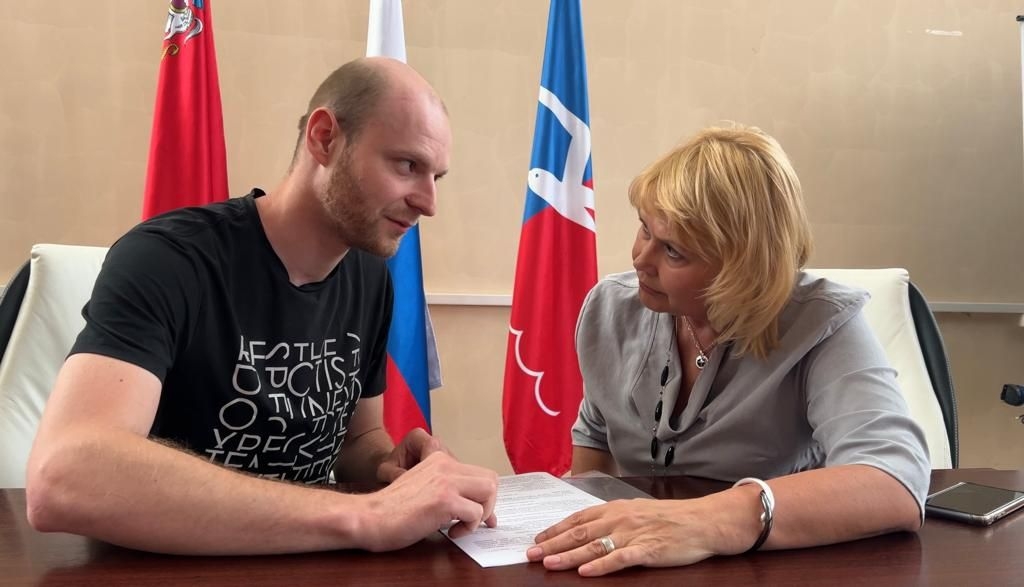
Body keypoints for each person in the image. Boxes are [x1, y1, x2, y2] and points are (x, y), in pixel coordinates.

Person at [25, 57, 498, 555]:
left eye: (436, 177)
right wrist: (367, 516)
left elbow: (356, 440)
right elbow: (64, 477)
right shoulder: (169, 260)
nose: (429, 203)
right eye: (407, 166)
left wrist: (388, 467)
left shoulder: (370, 278)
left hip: (310, 560)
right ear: (324, 139)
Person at [526, 125, 930, 576]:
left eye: (673, 251)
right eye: (644, 229)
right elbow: (597, 436)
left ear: (742, 268)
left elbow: (895, 481)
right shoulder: (610, 308)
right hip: (643, 564)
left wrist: (701, 522)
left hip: (774, 569)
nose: (640, 259)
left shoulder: (823, 324)